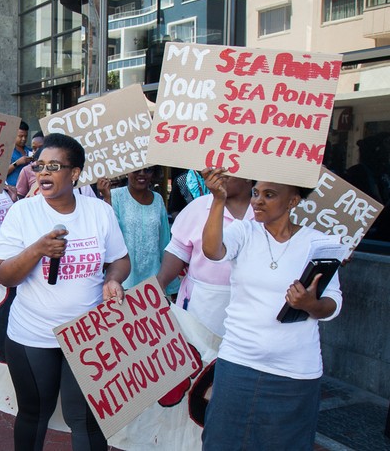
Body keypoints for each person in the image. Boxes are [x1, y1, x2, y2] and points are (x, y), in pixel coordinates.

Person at [0, 133, 130, 450]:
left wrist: (113, 279)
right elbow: (5, 276)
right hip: (32, 335)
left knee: (85, 419)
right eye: (39, 165)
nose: (42, 173)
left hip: (87, 334)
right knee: (34, 413)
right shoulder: (22, 213)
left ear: (75, 173)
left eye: (53, 166)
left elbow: (121, 260)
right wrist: (37, 250)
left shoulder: (100, 212)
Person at [200, 168, 343, 450]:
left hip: (295, 374)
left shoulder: (318, 243)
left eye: (269, 195)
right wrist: (218, 200)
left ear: (293, 202)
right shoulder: (244, 231)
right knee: (221, 442)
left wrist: (310, 304)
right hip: (238, 365)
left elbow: (333, 303)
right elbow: (212, 250)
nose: (257, 201)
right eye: (255, 193)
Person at [156, 174, 254, 336]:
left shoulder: (264, 212)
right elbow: (178, 251)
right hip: (200, 305)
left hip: (248, 308)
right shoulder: (198, 207)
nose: (221, 175)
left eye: (229, 171)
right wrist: (160, 283)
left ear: (248, 176)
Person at [97, 167, 179, 295]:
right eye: (136, 171)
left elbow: (164, 241)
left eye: (147, 170)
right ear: (127, 171)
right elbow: (109, 234)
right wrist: (107, 199)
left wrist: (168, 283)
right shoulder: (114, 196)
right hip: (123, 281)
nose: (142, 174)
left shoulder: (158, 199)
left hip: (154, 281)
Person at [16, 131, 44, 198]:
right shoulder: (27, 170)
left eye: (40, 148)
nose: (36, 151)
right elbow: (20, 196)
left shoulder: (59, 168)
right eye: (34, 148)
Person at [6, 121, 32, 186]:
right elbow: (1, 174)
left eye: (26, 136)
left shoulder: (30, 150)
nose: (23, 139)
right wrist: (17, 163)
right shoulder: (6, 151)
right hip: (12, 190)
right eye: (20, 136)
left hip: (28, 189)